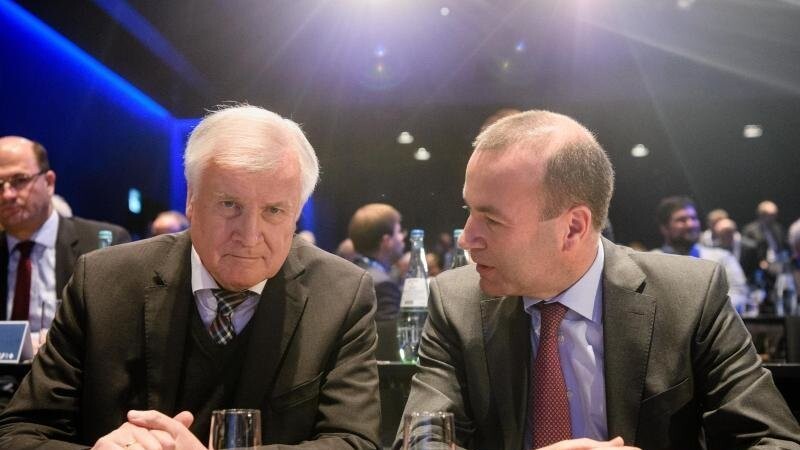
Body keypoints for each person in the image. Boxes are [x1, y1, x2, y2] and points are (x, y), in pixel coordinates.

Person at [395, 110, 800, 450]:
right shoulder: (455, 302)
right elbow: (422, 443)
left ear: (572, 227)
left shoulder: (688, 296)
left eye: (492, 219)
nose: (467, 238)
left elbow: (774, 442)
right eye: (469, 211)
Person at [0, 106, 380, 449]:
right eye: (229, 205)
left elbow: (354, 442)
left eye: (274, 210)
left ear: (296, 213)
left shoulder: (341, 294)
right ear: (192, 201)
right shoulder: (102, 282)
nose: (249, 235)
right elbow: (20, 432)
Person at [0, 136, 130, 352]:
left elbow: (118, 334)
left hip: (74, 380)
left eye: (19, 180)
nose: (7, 195)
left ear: (49, 183)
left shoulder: (104, 243)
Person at [653, 196, 750, 312]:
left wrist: (703, 316)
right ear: (664, 228)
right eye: (682, 220)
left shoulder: (721, 257)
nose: (690, 224)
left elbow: (738, 293)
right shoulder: (652, 261)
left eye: (693, 218)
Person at [348, 203, 405, 322]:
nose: (402, 238)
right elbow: (389, 338)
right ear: (386, 241)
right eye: (399, 232)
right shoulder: (383, 286)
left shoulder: (348, 272)